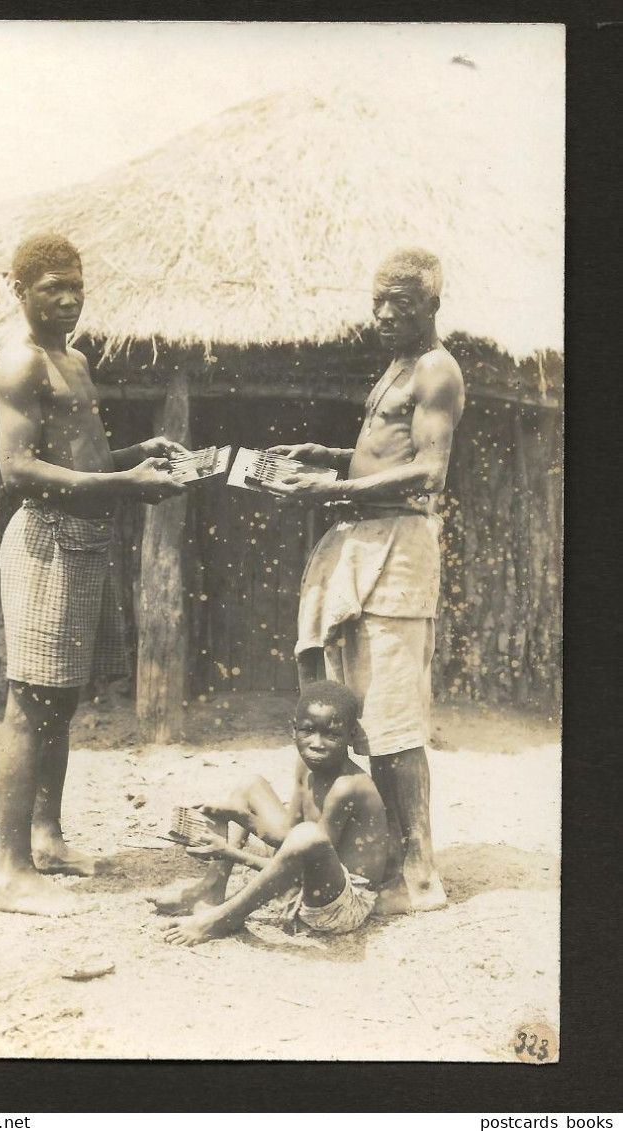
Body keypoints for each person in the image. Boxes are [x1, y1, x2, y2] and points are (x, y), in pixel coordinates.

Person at [0, 233, 187, 916]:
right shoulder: (20, 365)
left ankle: (46, 838)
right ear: (20, 291)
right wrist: (125, 481)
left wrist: (137, 454)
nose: (69, 298)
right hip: (45, 538)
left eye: (76, 284)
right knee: (29, 700)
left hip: (83, 538)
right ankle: (11, 871)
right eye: (52, 287)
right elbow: (18, 470)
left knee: (61, 701)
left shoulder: (71, 359)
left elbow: (84, 455)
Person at [267, 247, 465, 916]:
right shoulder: (398, 366)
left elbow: (428, 471)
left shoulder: (437, 370)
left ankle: (421, 873)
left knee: (394, 720)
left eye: (401, 304)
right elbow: (384, 450)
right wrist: (325, 459)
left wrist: (338, 488)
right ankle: (382, 857)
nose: (384, 313)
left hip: (398, 548)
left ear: (432, 305)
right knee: (364, 712)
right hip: (363, 541)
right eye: (378, 300)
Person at [151, 681, 388, 946]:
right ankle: (211, 890)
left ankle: (224, 918)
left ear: (352, 734)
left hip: (339, 905)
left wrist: (231, 853)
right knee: (250, 785)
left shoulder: (347, 786)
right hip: (308, 873)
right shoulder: (305, 765)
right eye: (308, 731)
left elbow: (301, 868)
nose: (317, 744)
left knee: (308, 834)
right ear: (294, 729)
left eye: (331, 735)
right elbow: (286, 836)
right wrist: (237, 814)